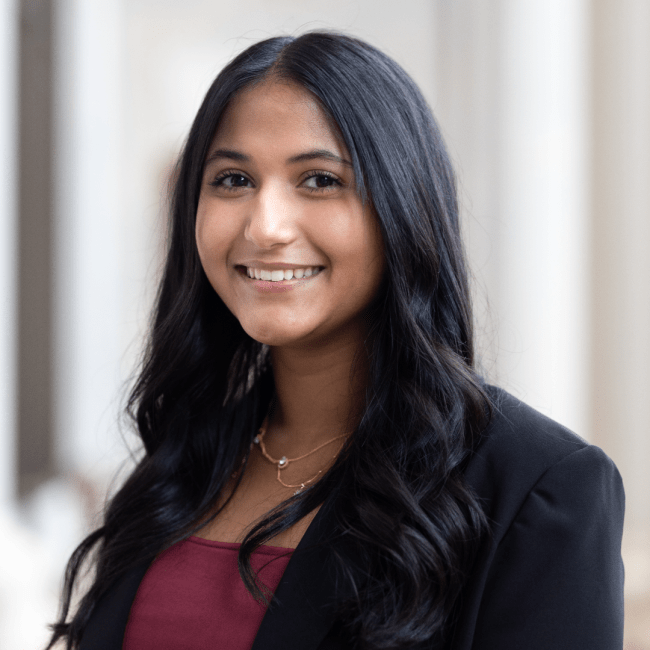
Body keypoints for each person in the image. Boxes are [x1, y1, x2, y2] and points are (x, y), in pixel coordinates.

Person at [45, 31, 625, 650]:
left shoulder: (537, 487)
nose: (265, 227)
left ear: (403, 208)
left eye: (319, 181)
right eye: (233, 179)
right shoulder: (181, 465)